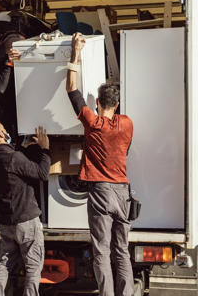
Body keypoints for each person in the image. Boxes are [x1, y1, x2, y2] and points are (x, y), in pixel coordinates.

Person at [65, 33, 134, 296]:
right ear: (116, 105)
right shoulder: (127, 123)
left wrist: (76, 52)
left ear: (96, 103)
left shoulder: (92, 123)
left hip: (101, 193)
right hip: (123, 192)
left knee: (101, 251)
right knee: (121, 251)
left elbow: (71, 89)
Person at [0, 120, 50, 296]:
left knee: (4, 263)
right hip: (26, 220)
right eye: (4, 129)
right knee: (34, 266)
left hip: (7, 222)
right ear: (0, 134)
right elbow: (42, 173)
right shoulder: (14, 158)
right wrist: (45, 149)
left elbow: (13, 165)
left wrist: (22, 148)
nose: (6, 131)